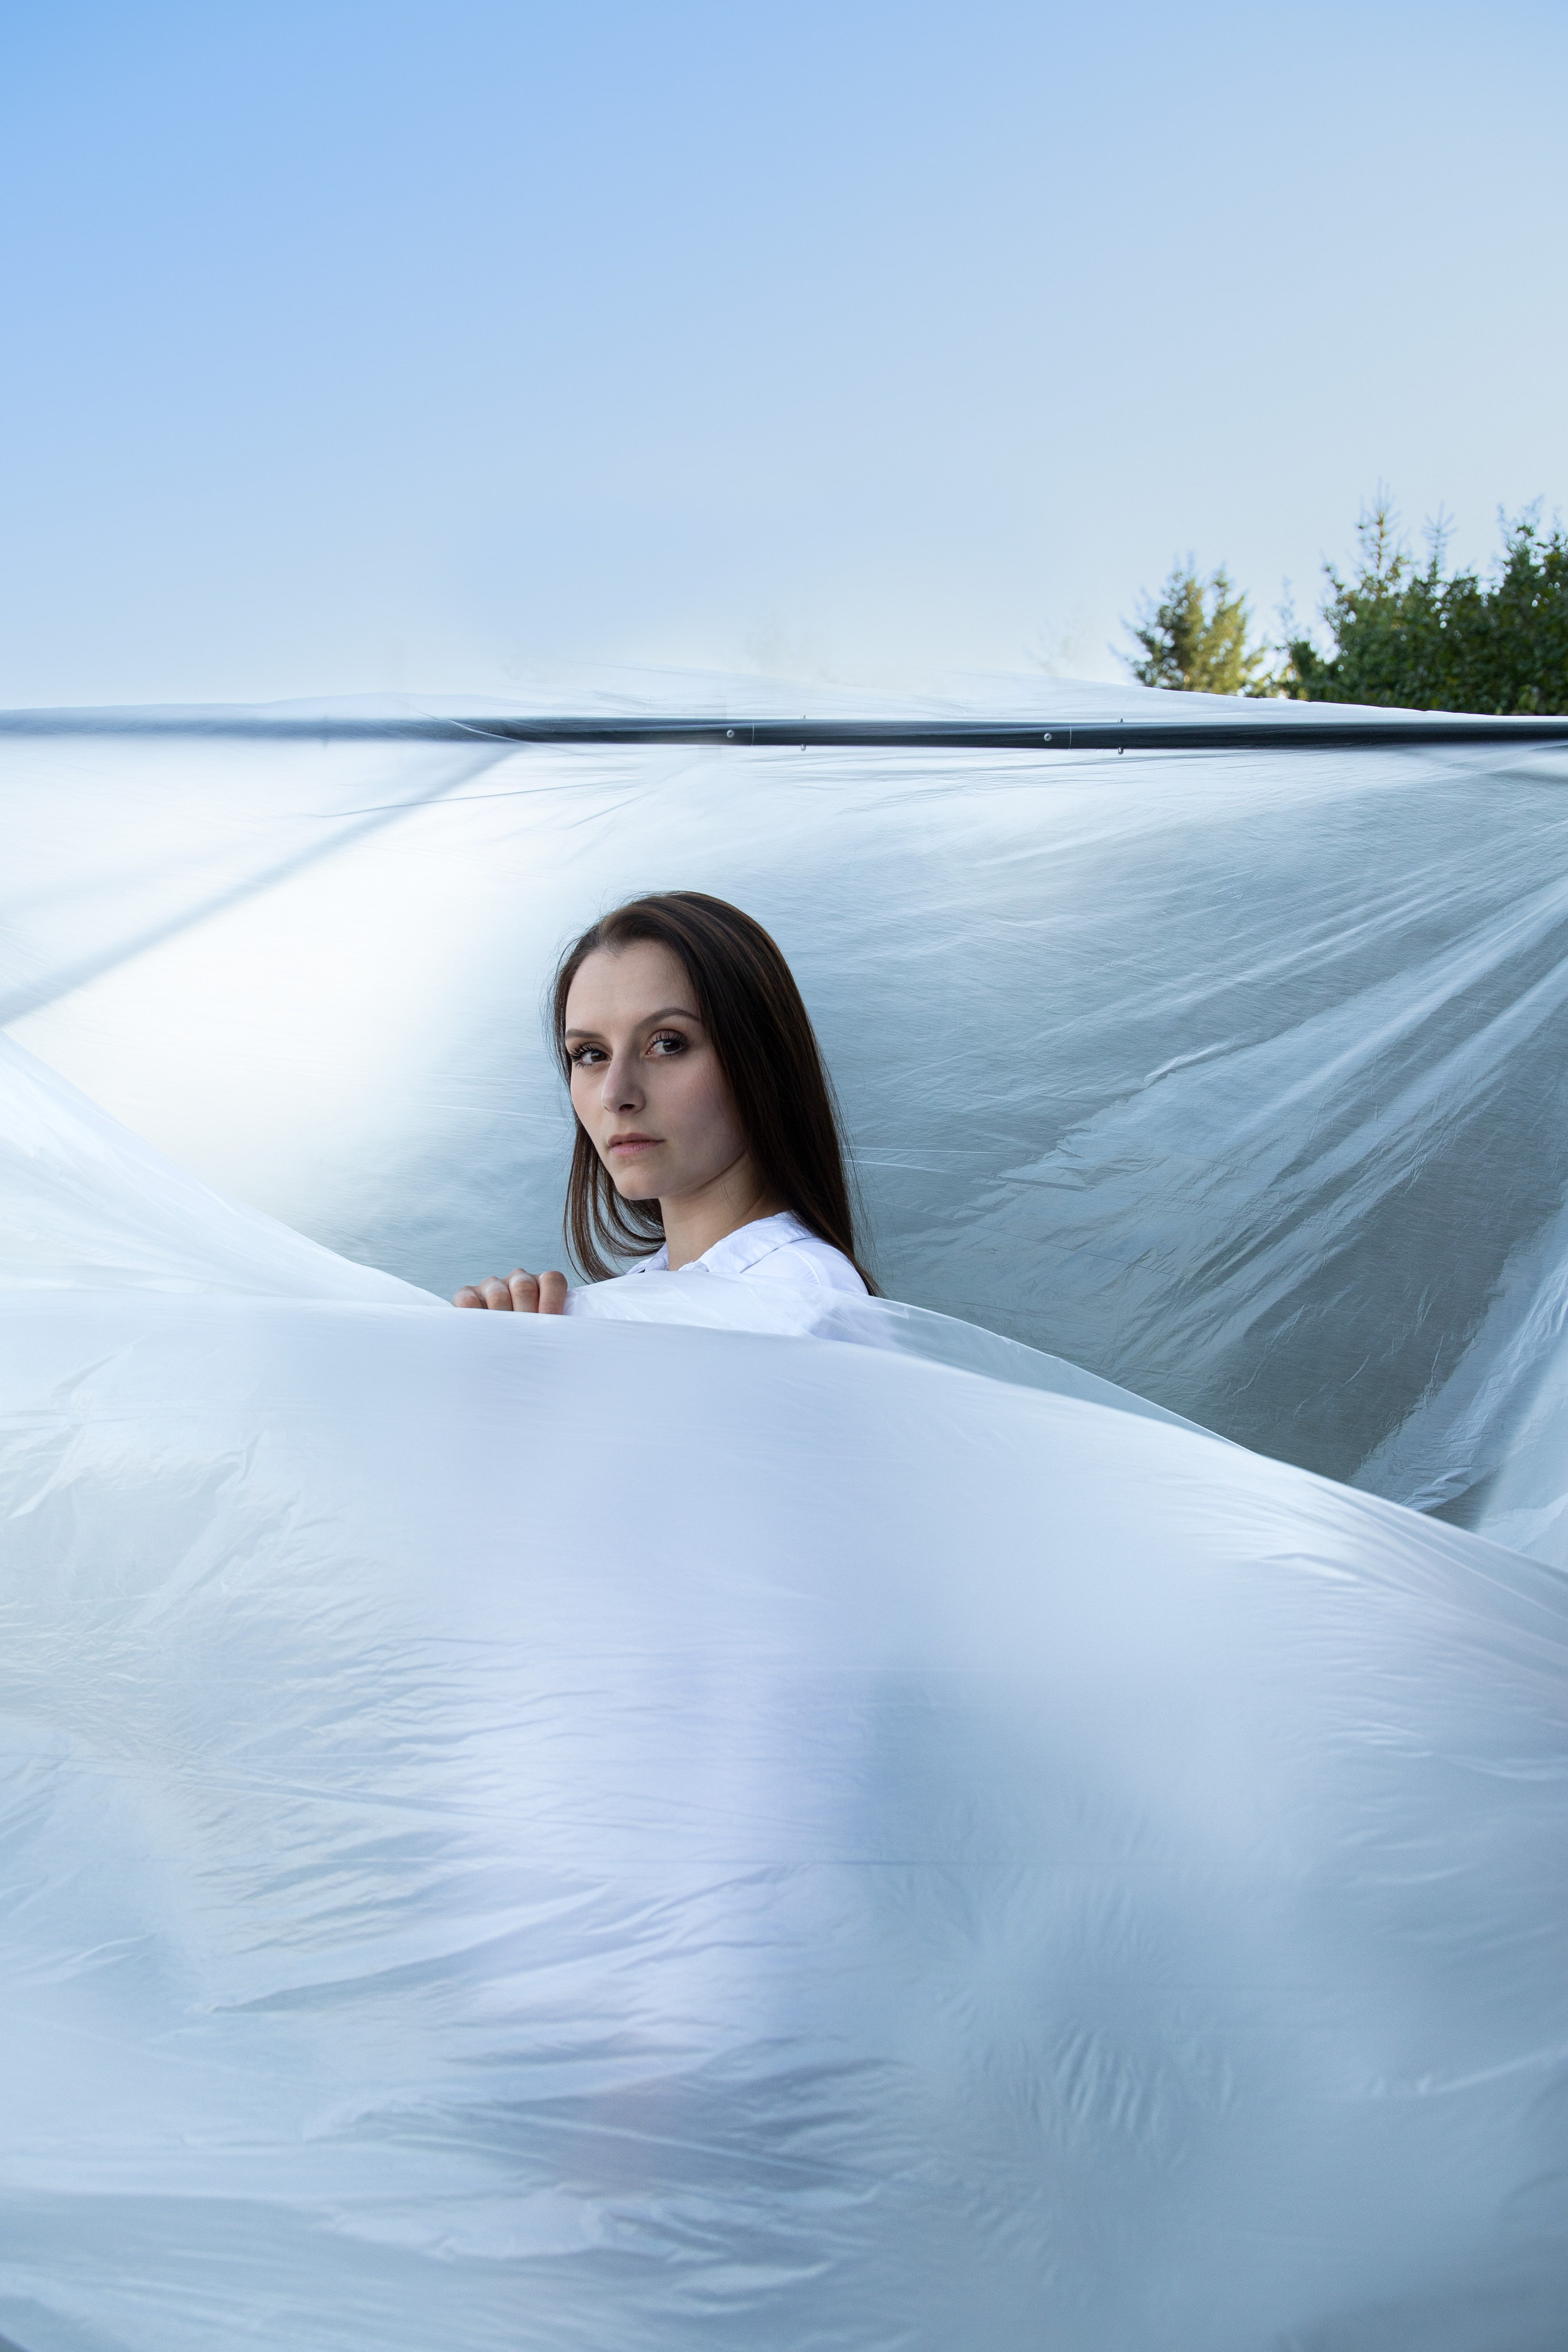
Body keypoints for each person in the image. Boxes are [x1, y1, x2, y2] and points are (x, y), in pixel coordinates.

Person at [453, 892, 873, 1311]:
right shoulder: (644, 1296)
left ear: (764, 1059)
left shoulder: (802, 1294)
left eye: (668, 1044)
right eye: (591, 1054)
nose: (615, 1095)